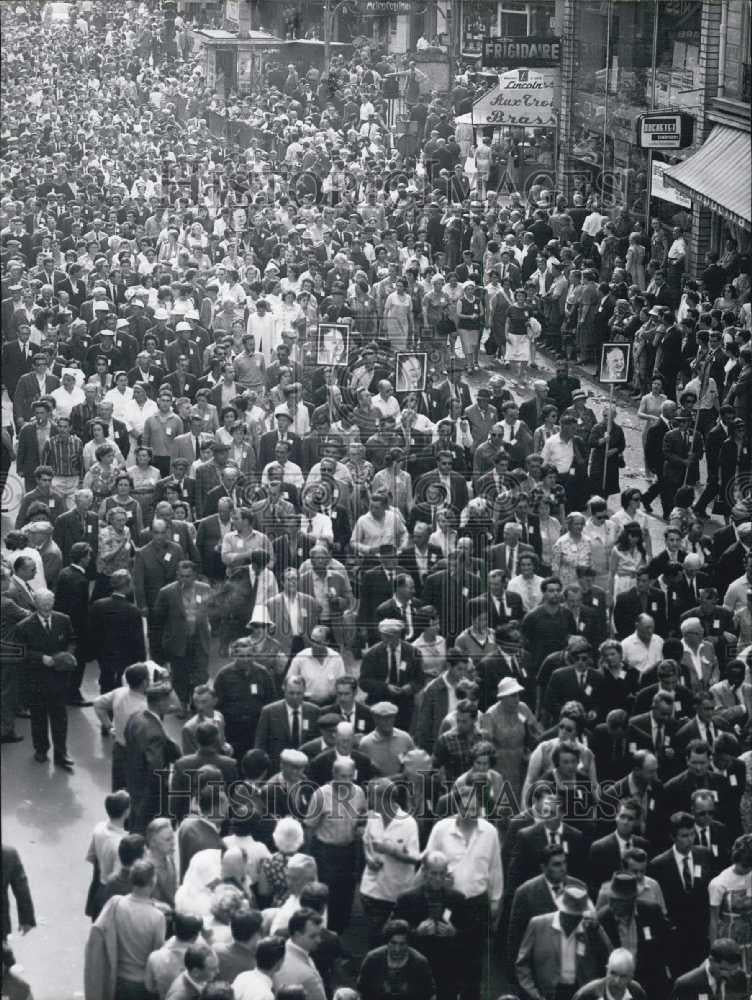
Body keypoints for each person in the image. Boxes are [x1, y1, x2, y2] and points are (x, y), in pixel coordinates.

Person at [14, 588, 76, 768]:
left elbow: (72, 639)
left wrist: (67, 655)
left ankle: (61, 752)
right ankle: (41, 749)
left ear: (53, 602)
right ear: (36, 604)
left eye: (49, 604)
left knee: (60, 718)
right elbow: (21, 652)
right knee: (39, 717)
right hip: (36, 679)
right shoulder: (24, 626)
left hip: (59, 678)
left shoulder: (63, 620)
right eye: (43, 605)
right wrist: (41, 658)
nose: (47, 608)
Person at [356, 919, 436, 1000]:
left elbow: (431, 995)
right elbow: (361, 991)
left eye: (402, 944)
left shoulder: (419, 962)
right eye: (393, 943)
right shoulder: (372, 959)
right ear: (387, 942)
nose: (397, 949)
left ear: (408, 943)